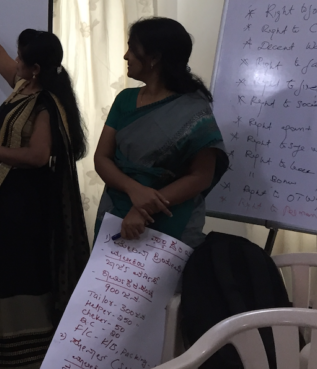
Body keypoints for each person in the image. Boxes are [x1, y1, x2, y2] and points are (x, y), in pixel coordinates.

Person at [0, 0, 89, 369]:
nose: (12, 60)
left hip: (25, 207)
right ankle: (1, 362)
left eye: (20, 57)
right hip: (9, 201)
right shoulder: (27, 86)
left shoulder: (46, 103)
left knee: (18, 277)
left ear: (34, 67)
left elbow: (36, 156)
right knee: (1, 273)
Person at [93, 17, 229, 246]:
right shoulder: (125, 100)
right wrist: (134, 190)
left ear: (154, 58)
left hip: (171, 221)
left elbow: (201, 176)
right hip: (116, 212)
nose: (126, 56)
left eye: (132, 49)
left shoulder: (194, 109)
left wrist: (144, 207)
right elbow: (101, 158)